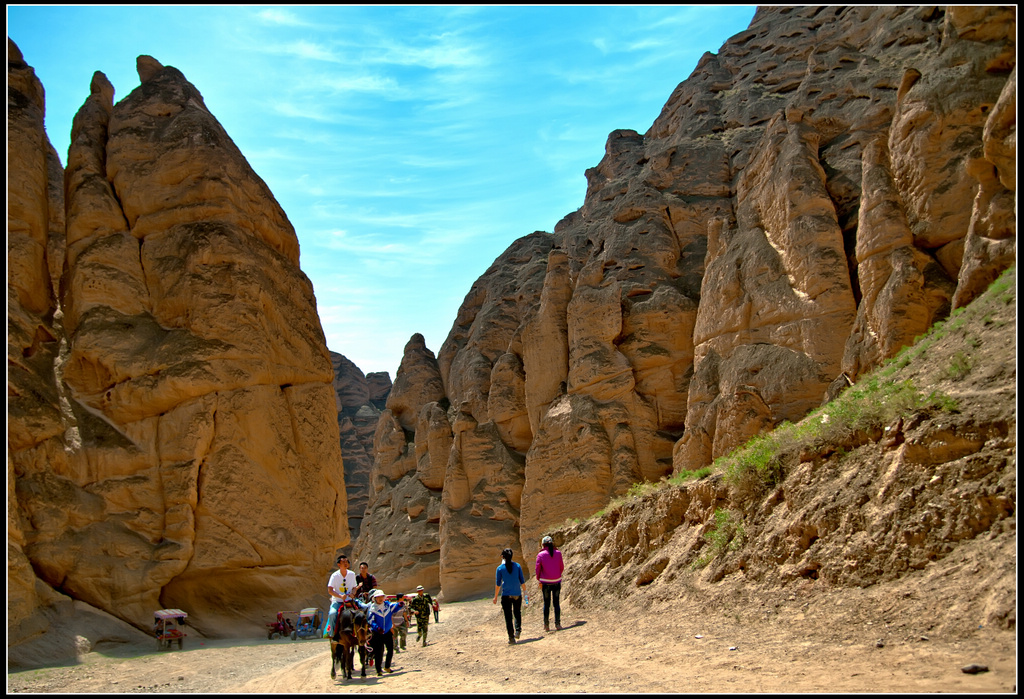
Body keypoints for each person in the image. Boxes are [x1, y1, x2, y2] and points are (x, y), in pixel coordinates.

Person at [356, 589, 401, 676]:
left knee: (390, 650)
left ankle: (387, 666)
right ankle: (378, 670)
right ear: (375, 598)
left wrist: (400, 605)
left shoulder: (387, 605)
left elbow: (395, 607)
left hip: (387, 632)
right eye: (378, 597)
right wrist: (377, 628)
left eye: (381, 597)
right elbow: (371, 621)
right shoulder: (372, 608)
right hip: (378, 633)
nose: (380, 598)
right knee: (379, 652)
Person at [493, 547, 525, 645]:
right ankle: (518, 630)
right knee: (517, 612)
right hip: (517, 594)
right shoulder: (518, 566)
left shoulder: (500, 568)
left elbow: (498, 584)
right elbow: (522, 581)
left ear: (503, 557)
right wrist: (525, 592)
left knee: (508, 616)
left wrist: (495, 597)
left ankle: (511, 638)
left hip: (506, 595)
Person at [535, 535, 565, 632]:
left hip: (546, 583)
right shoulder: (558, 553)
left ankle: (546, 625)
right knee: (556, 603)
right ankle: (558, 624)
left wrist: (539, 578)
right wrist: (557, 575)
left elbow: (537, 569)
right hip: (556, 581)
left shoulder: (540, 555)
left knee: (546, 604)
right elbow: (561, 567)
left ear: (543, 545)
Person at [324, 554, 357, 638]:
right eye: (343, 562)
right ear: (339, 564)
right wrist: (340, 596)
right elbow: (330, 590)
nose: (346, 563)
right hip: (338, 601)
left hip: (350, 601)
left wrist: (353, 593)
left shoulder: (352, 574)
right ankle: (332, 633)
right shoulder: (334, 576)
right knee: (332, 613)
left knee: (363, 610)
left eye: (347, 561)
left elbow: (354, 587)